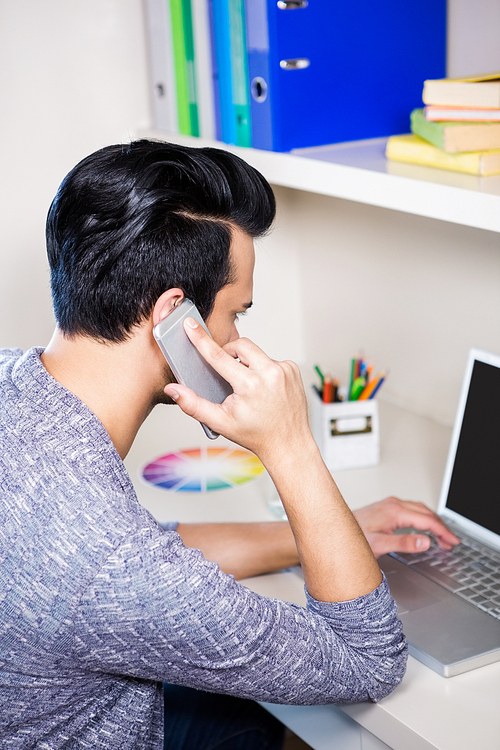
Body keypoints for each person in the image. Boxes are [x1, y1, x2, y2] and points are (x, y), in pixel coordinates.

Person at [0, 140, 458, 750]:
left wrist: (324, 534)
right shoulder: (108, 559)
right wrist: (290, 443)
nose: (237, 335)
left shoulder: (16, 388)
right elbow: (366, 660)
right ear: (175, 317)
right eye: (236, 313)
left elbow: (142, 554)